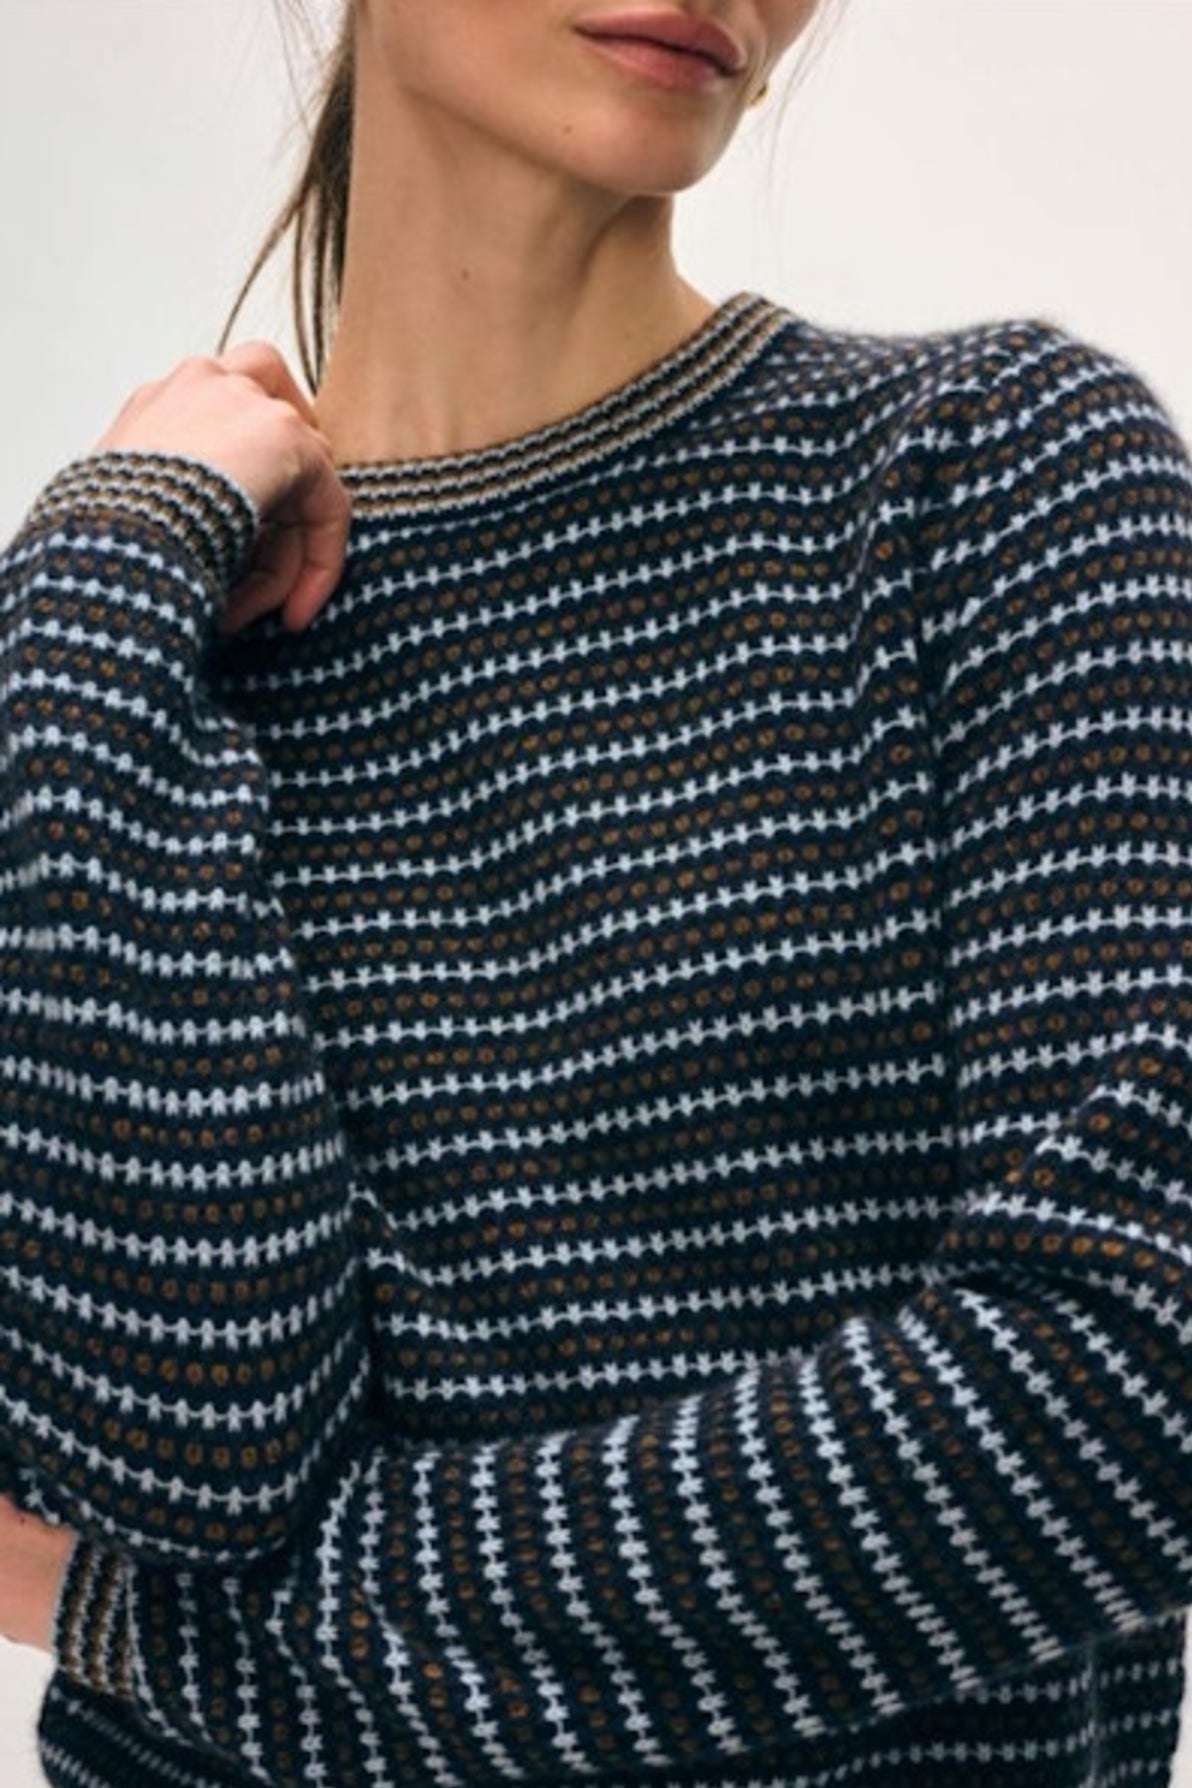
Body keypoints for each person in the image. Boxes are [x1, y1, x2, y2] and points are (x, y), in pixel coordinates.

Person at [2, 3, 1192, 1786]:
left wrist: (144, 1621)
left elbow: (1123, 1388)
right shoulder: (134, 652)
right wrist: (96, 575)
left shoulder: (995, 481)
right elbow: (183, 1449)